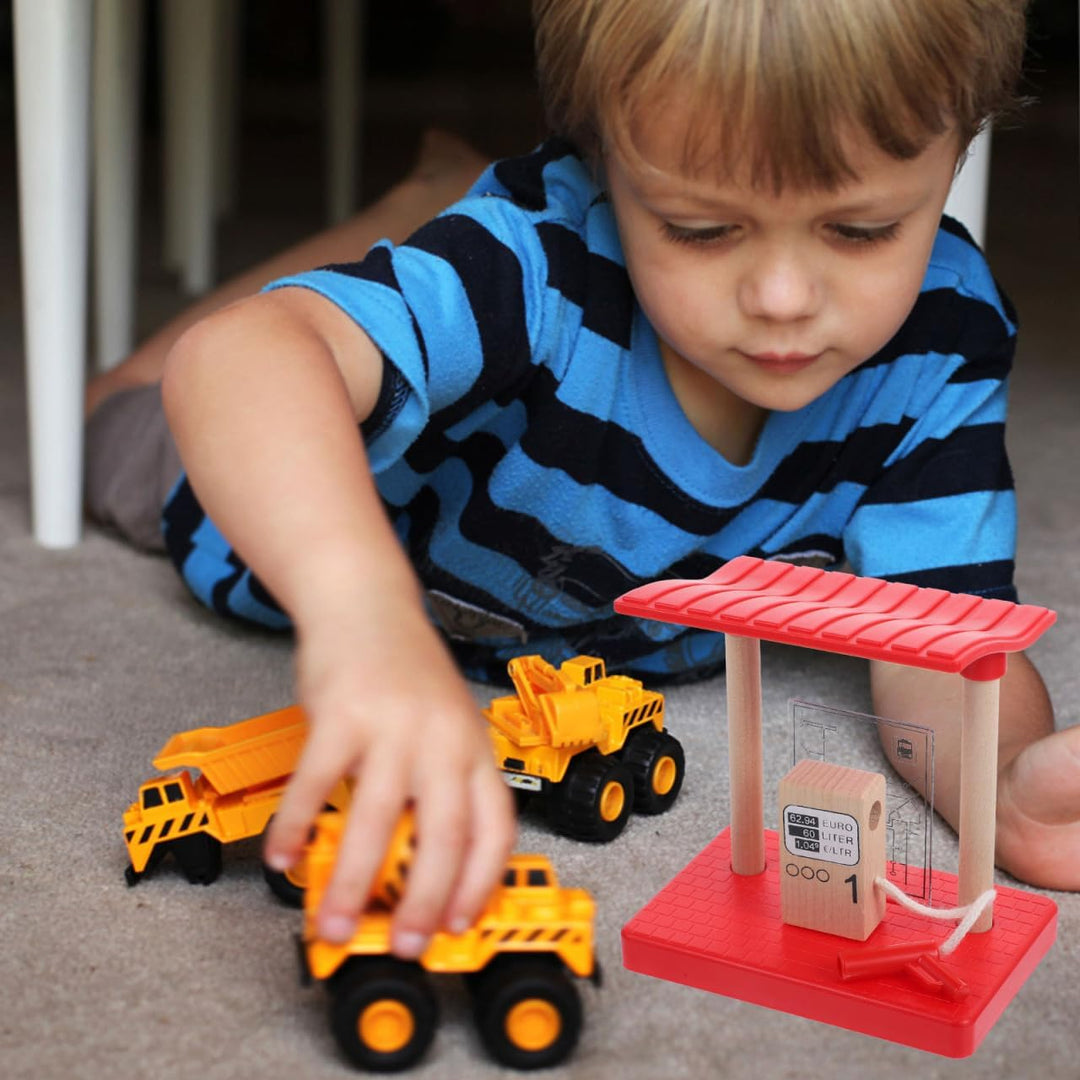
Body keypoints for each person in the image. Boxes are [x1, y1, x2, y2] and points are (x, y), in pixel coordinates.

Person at [85, 0, 1080, 960]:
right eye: (701, 229)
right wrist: (362, 619)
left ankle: (417, 237)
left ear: (960, 147)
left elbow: (940, 637)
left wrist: (1000, 780)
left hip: (569, 646)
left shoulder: (945, 338)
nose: (784, 300)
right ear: (601, 156)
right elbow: (239, 359)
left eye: (860, 231)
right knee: (123, 405)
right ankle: (409, 229)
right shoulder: (538, 261)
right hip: (274, 497)